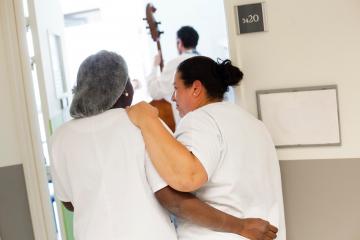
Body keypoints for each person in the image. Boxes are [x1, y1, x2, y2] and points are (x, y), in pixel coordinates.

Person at [50, 51, 277, 240]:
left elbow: (69, 202)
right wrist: (241, 226)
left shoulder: (60, 137)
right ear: (125, 89)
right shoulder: (141, 122)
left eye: (176, 89)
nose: (172, 98)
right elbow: (175, 201)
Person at [127, 56, 286, 240]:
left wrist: (147, 120)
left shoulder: (200, 119)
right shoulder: (255, 124)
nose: (173, 97)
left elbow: (187, 179)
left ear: (195, 88)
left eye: (176, 89)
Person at [147, 26, 200, 124]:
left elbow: (154, 92)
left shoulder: (175, 64)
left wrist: (154, 66)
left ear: (180, 43)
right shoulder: (207, 61)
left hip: (187, 125)